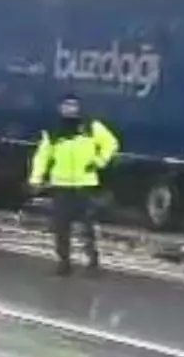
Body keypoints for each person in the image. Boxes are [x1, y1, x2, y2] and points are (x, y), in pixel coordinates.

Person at [28, 94, 120, 276]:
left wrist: (99, 161)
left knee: (87, 227)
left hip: (84, 186)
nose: (70, 109)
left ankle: (92, 262)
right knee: (61, 227)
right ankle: (64, 262)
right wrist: (35, 179)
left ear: (79, 108)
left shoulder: (90, 127)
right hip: (61, 187)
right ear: (60, 108)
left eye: (73, 105)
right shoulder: (54, 132)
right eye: (66, 106)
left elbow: (111, 143)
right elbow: (42, 156)